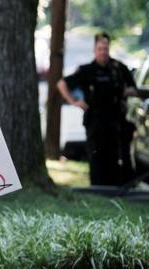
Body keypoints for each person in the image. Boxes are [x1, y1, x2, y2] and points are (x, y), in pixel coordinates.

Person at [57, 32, 137, 186]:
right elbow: (62, 84)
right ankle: (97, 189)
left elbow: (133, 89)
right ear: (95, 50)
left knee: (114, 157)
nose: (103, 52)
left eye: (105, 48)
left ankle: (115, 188)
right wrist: (74, 101)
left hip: (115, 120)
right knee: (96, 157)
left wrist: (121, 92)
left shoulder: (118, 69)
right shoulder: (87, 70)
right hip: (95, 120)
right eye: (100, 49)